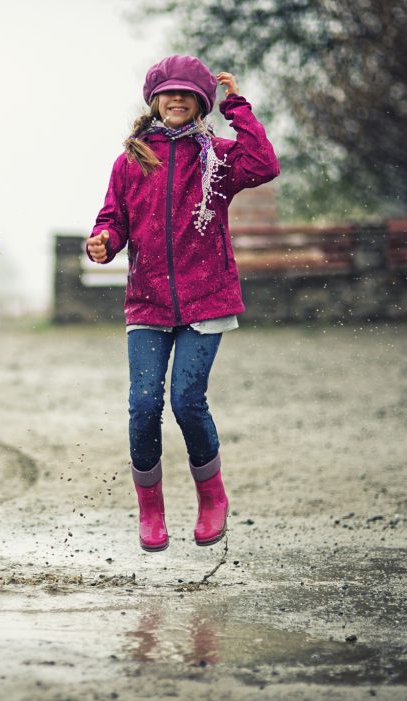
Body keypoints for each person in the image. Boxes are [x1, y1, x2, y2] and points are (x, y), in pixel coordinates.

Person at [87, 55, 279, 552]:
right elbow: (113, 220)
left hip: (206, 298)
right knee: (144, 406)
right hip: (147, 303)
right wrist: (104, 239)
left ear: (200, 103)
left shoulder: (217, 157)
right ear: (154, 101)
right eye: (167, 93)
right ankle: (150, 508)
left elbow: (264, 164)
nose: (176, 100)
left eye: (187, 94)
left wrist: (236, 106)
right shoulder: (131, 160)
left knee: (187, 402)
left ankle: (211, 497)